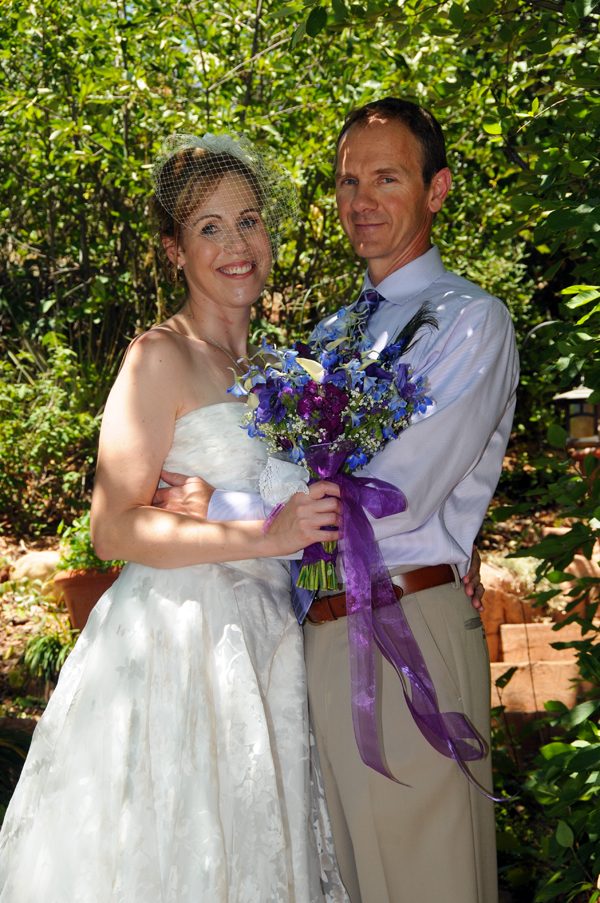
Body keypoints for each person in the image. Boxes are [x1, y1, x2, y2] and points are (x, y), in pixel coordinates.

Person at [157, 100, 519, 903]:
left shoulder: (469, 324)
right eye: (348, 180)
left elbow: (393, 496)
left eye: (387, 177)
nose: (361, 198)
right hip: (314, 641)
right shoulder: (323, 340)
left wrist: (221, 506)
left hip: (407, 624)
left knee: (431, 881)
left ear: (438, 190)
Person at [0, 134, 350, 903]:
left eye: (249, 220)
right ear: (174, 251)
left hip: (270, 642)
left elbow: (301, 516)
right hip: (181, 641)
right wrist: (265, 532)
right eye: (210, 227)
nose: (237, 244)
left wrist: (267, 522)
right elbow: (113, 528)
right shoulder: (158, 356)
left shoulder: (279, 373)